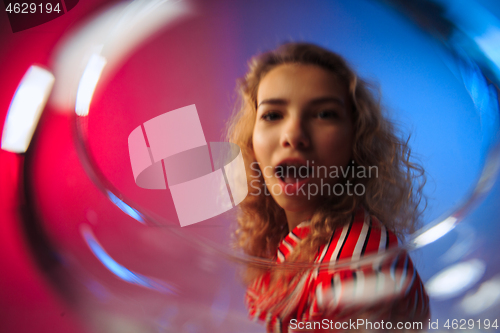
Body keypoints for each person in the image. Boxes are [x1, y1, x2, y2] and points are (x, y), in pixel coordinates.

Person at [225, 42, 429, 332]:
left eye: (324, 114)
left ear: (356, 141)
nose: (294, 135)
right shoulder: (301, 242)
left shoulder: (358, 258)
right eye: (272, 115)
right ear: (250, 142)